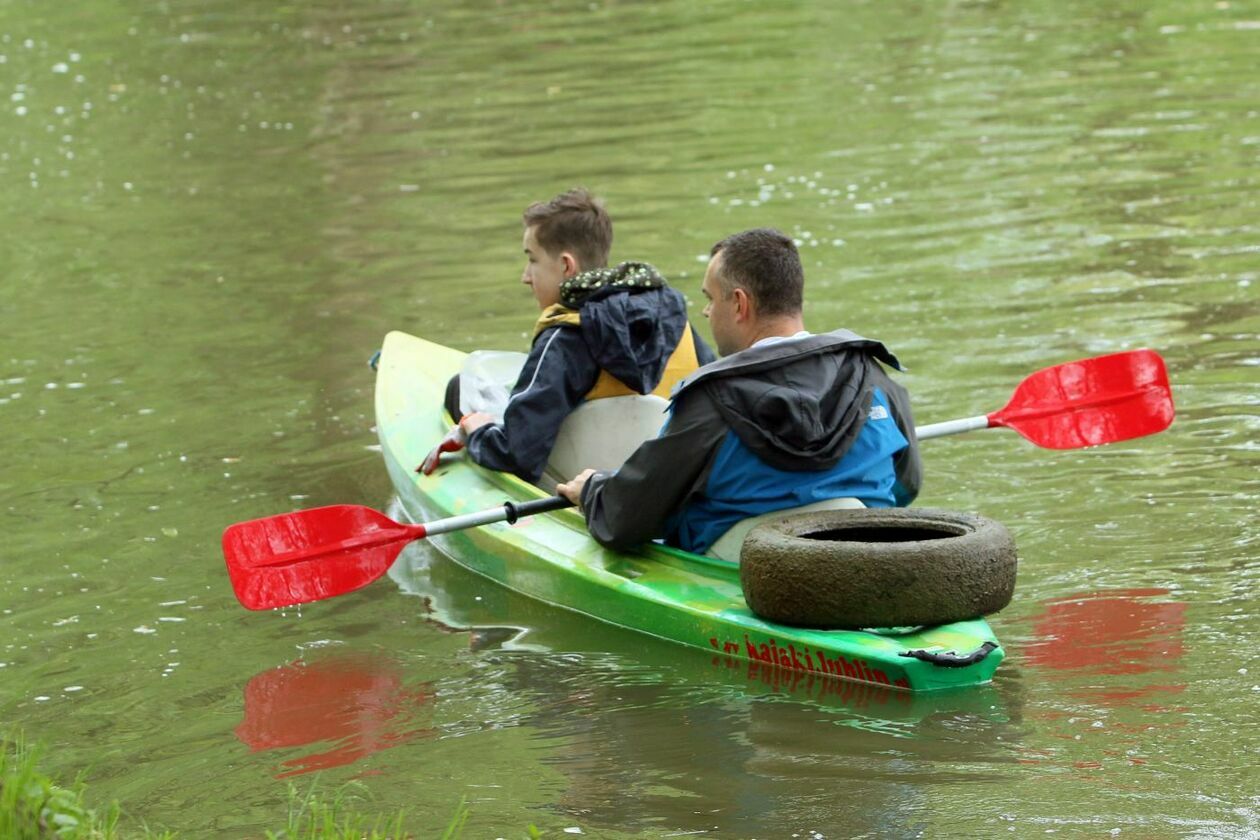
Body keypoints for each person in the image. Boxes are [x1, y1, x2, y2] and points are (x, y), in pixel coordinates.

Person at [557, 227, 921, 557]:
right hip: (868, 555)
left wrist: (593, 490)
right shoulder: (872, 374)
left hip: (756, 567)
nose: (706, 311)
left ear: (740, 304)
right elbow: (907, 484)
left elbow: (628, 519)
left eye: (711, 299)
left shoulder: (710, 399)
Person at [425, 188, 715, 484]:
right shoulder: (671, 318)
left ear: (566, 265)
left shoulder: (564, 338)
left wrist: (477, 430)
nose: (526, 276)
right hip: (672, 485)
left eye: (532, 259)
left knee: (459, 389)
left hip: (585, 493)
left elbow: (517, 456)